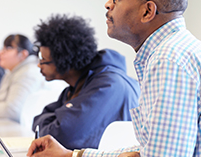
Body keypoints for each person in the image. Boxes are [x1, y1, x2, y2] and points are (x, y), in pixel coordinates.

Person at [27, 0, 201, 156]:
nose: (108, 3)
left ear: (147, 11)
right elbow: (148, 151)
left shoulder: (168, 60)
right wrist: (72, 154)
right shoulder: (178, 51)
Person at [31, 14, 140, 150]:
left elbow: (59, 137)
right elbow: (38, 123)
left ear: (65, 59)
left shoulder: (107, 86)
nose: (39, 65)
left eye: (43, 60)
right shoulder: (78, 86)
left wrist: (56, 121)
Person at [0, 34, 45, 123]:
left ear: (23, 54)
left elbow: (13, 111)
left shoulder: (27, 73)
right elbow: (6, 100)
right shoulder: (14, 71)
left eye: (7, 48)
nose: (0, 52)